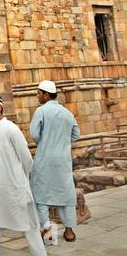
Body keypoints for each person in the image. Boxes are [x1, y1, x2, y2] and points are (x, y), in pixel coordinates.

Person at [0, 92, 46, 256]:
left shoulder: (10, 128)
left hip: (16, 188)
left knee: (30, 227)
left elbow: (27, 159)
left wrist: (20, 181)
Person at [30, 80, 80, 243]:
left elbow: (35, 135)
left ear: (46, 94)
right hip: (63, 161)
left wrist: (46, 142)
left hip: (44, 159)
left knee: (42, 195)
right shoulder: (67, 113)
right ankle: (69, 231)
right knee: (66, 193)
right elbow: (76, 134)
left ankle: (48, 232)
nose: (37, 96)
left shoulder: (41, 111)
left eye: (38, 93)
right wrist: (63, 144)